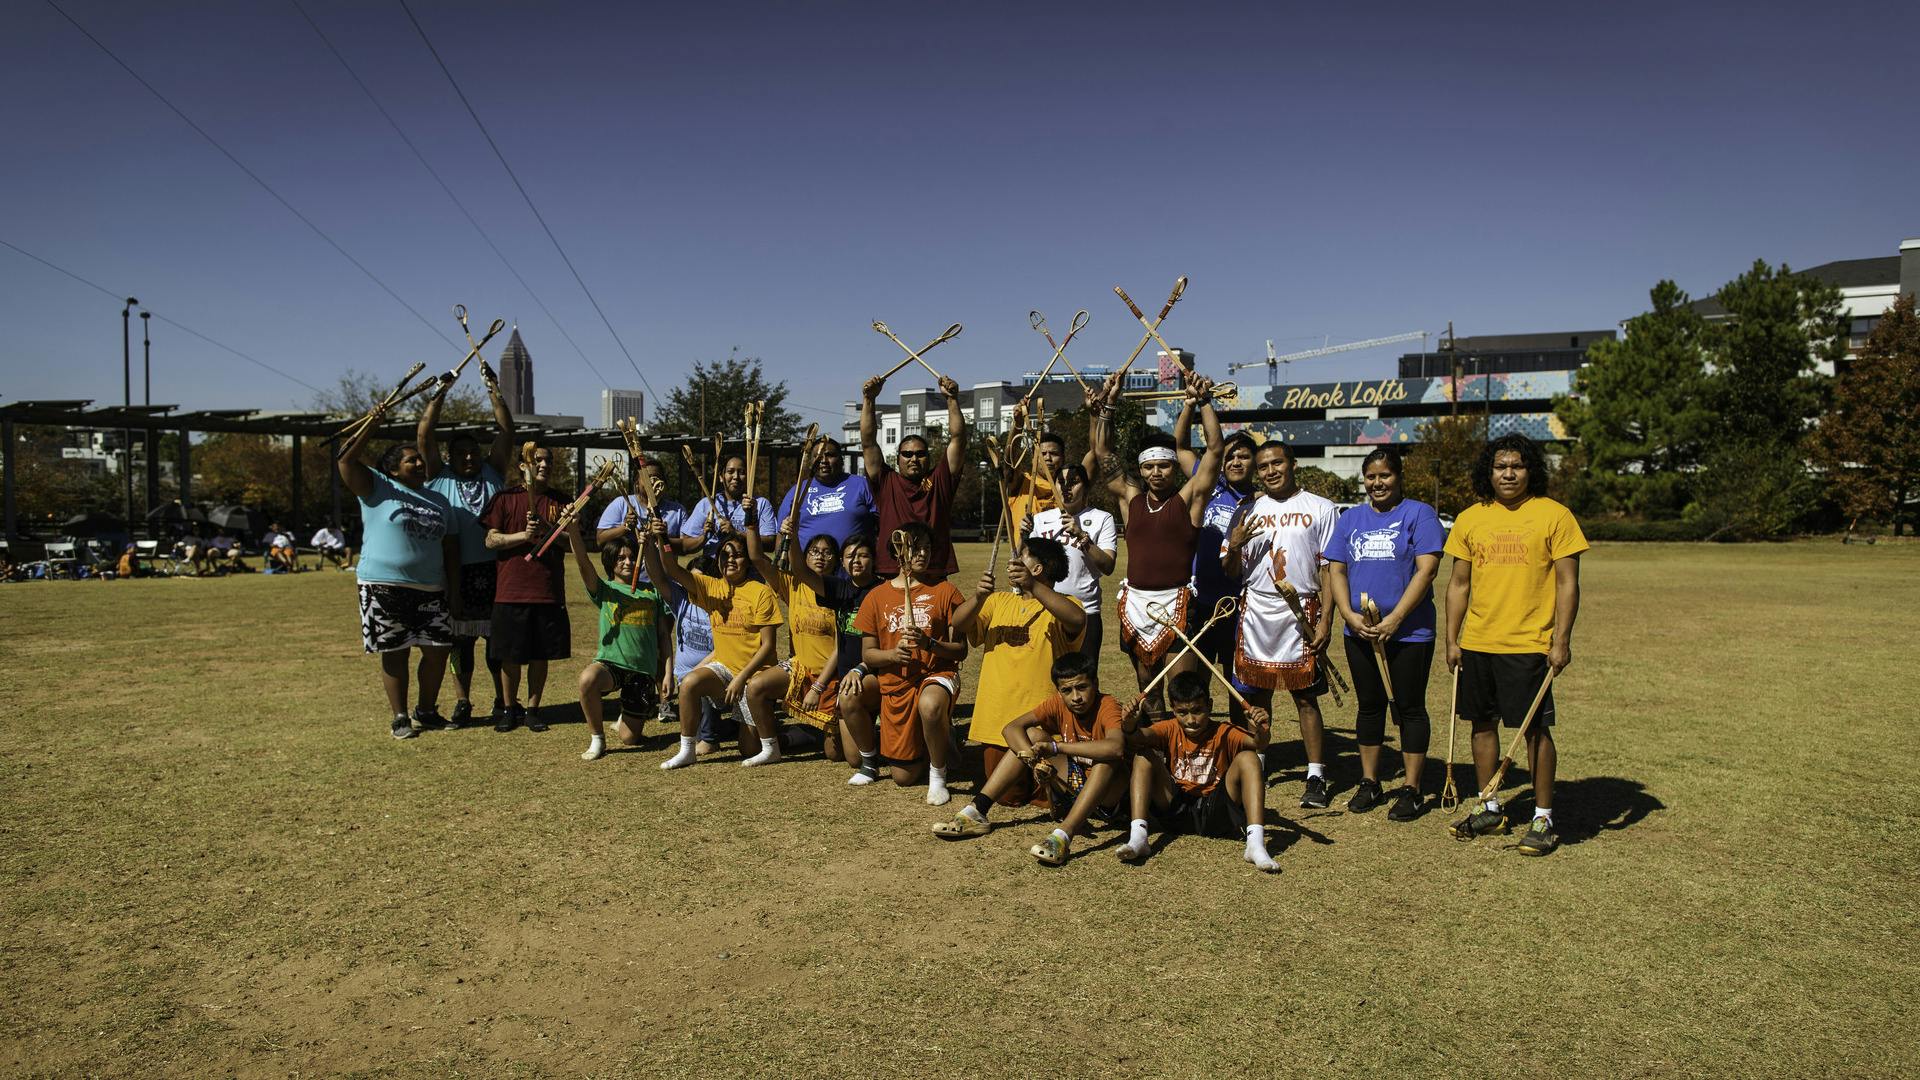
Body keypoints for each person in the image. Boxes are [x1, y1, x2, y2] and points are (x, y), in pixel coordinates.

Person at [1444, 433, 1587, 855]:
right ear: (1488, 472)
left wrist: (1561, 640)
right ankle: (1489, 808)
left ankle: (1543, 817)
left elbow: (1567, 583)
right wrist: (1452, 640)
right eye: (1500, 466)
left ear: (1531, 471)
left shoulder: (1555, 516)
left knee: (1535, 733)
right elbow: (1457, 584)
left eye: (1517, 466)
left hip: (1529, 644)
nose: (1508, 473)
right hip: (1479, 642)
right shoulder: (1471, 518)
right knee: (1481, 725)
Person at [1323, 447, 1445, 819]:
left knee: (1409, 707)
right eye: (1371, 476)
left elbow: (1427, 570)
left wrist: (1395, 620)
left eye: (1385, 475)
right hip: (1360, 631)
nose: (1377, 483)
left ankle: (1411, 787)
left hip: (1408, 633)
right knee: (1370, 705)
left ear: (1398, 477)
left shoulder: (1419, 514)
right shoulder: (1351, 518)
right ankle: (1370, 781)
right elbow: (1336, 569)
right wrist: (1348, 614)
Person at [1090, 371, 1223, 713]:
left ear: (1175, 468)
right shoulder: (1130, 498)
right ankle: (1157, 758)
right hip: (1135, 604)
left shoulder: (1189, 499)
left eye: (1164, 465)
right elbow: (1102, 450)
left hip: (1178, 603)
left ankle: (1186, 759)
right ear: (1141, 469)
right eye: (1149, 467)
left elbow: (1214, 449)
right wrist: (1109, 401)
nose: (1156, 473)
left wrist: (1203, 401)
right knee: (1149, 694)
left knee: (1184, 694)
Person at [335, 403, 467, 740]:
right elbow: (346, 459)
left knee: (438, 649)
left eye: (421, 460)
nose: (420, 464)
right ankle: (400, 716)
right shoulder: (377, 487)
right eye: (412, 460)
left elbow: (450, 548)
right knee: (396, 651)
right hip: (383, 584)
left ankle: (427, 709)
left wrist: (454, 587)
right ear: (393, 469)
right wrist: (371, 425)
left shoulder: (440, 501)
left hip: (430, 587)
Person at [1222, 439, 1337, 808]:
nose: (1271, 471)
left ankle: (1316, 774)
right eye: (1264, 466)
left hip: (1300, 606)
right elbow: (1229, 570)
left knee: (1305, 697)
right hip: (1256, 607)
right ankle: (1257, 761)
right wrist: (1236, 544)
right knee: (1257, 695)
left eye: (1277, 463)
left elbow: (1330, 568)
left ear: (1293, 464)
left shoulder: (1320, 507)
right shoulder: (1247, 510)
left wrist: (1325, 621)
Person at [931, 652, 1128, 866]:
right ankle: (977, 810)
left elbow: (1116, 748)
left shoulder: (1108, 705)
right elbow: (1011, 729)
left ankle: (1063, 836)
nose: (1076, 697)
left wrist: (1057, 746)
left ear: (1095, 684)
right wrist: (1036, 763)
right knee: (1032, 735)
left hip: (1108, 799)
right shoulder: (1058, 703)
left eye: (1082, 687)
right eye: (1067, 690)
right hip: (1075, 785)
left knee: (1106, 760)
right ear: (1059, 691)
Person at [951, 536, 1086, 805]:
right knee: (1009, 798)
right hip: (997, 723)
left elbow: (1077, 619)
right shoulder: (998, 601)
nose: (1012, 561)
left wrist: (1033, 587)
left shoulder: (1064, 603)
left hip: (1042, 726)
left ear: (1037, 569)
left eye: (1021, 555)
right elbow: (959, 622)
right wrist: (978, 597)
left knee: (1049, 796)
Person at [642, 520, 784, 769]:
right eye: (725, 555)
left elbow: (768, 647)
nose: (731, 560)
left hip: (754, 677)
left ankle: (783, 735)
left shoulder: (760, 592)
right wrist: (663, 540)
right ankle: (687, 750)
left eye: (738, 555)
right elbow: (672, 570)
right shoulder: (712, 587)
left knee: (748, 749)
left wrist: (742, 679)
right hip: (724, 669)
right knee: (689, 683)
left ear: (747, 561)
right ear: (717, 560)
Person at [420, 371, 516, 728]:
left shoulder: (493, 473)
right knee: (460, 643)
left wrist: (494, 390)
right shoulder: (436, 475)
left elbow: (507, 432)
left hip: (496, 569)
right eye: (461, 454)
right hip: (454, 570)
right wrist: (439, 393)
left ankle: (501, 699)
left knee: (495, 642)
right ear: (449, 456)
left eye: (474, 452)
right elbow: (423, 434)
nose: (469, 459)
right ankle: (462, 701)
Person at [847, 522, 967, 802]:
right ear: (899, 552)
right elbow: (868, 654)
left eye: (927, 547)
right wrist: (891, 656)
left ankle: (938, 775)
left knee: (930, 704)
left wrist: (930, 645)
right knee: (903, 777)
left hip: (936, 675)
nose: (923, 554)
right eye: (915, 547)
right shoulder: (876, 597)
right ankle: (939, 737)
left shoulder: (946, 591)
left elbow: (960, 651)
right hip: (895, 685)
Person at [1117, 670, 1278, 873]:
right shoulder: (1169, 728)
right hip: (1176, 809)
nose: (1191, 720)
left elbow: (1258, 743)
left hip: (1215, 811)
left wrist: (1261, 730)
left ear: (1209, 705)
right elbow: (1136, 738)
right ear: (1173, 710)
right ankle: (1138, 837)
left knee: (1249, 758)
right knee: (1143, 756)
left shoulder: (1224, 731)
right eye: (1182, 712)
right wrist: (1129, 724)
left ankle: (1255, 844)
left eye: (1197, 710)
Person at [480, 443, 572, 733]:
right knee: (510, 655)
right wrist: (523, 535)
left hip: (547, 591)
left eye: (548, 461)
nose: (544, 465)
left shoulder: (562, 502)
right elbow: (490, 540)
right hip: (511, 590)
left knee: (539, 654)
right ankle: (509, 708)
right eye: (538, 460)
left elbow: (572, 544)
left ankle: (533, 709)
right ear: (523, 465)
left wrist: (549, 530)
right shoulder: (504, 499)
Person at [565, 518, 667, 762]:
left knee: (630, 739)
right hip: (611, 666)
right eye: (621, 558)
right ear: (611, 563)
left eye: (631, 557)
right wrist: (573, 531)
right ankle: (597, 739)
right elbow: (583, 565)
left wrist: (664, 672)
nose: (628, 562)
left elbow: (663, 635)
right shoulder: (605, 590)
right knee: (588, 679)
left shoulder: (652, 592)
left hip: (642, 672)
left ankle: (628, 716)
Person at [785, 531, 884, 782]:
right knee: (852, 758)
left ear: (873, 559)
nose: (856, 561)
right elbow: (800, 570)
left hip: (876, 674)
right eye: (850, 556)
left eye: (863, 556)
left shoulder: (884, 591)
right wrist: (792, 534)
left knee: (852, 699)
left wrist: (862, 667)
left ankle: (884, 750)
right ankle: (877, 736)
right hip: (846, 680)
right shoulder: (838, 588)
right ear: (842, 561)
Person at [742, 517, 843, 753]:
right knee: (756, 687)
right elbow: (757, 558)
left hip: (831, 675)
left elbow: (841, 649)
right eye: (815, 551)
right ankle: (771, 748)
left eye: (828, 553)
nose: (820, 556)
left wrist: (819, 687)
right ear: (804, 558)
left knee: (834, 753)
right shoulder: (793, 585)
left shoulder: (842, 591)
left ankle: (818, 734)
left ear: (837, 560)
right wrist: (751, 523)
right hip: (799, 668)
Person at [860, 372, 968, 579]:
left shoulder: (940, 480)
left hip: (933, 570)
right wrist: (869, 399)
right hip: (893, 571)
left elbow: (958, 439)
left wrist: (952, 400)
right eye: (907, 454)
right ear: (897, 457)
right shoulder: (886, 480)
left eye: (920, 454)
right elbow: (868, 442)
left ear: (928, 457)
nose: (913, 459)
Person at [1024, 463, 1116, 667]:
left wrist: (1082, 536)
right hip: (1045, 611)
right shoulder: (1040, 520)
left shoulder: (1102, 518)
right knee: (1044, 674)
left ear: (1086, 487)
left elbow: (1108, 566)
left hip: (1086, 612)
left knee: (1084, 678)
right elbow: (1029, 567)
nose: (1066, 487)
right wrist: (1024, 536)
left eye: (1074, 482)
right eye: (1061, 482)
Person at [774, 437, 875, 553]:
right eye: (817, 456)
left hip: (853, 567)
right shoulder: (797, 492)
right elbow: (781, 536)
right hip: (807, 569)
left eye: (830, 455)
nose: (823, 460)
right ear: (810, 462)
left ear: (841, 459)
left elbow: (883, 523)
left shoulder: (862, 485)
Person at [595, 457, 687, 585]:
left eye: (657, 477)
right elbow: (600, 539)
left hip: (664, 585)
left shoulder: (677, 511)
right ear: (637, 483)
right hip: (628, 584)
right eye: (647, 477)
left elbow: (685, 546)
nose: (652, 481)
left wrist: (662, 538)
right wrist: (625, 528)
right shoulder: (622, 504)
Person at [681, 455, 777, 562]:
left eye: (742, 472)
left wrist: (735, 533)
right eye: (730, 471)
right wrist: (704, 537)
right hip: (712, 573)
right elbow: (685, 545)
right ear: (721, 477)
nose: (735, 476)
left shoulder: (760, 504)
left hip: (750, 574)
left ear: (749, 477)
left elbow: (770, 544)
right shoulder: (707, 504)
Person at [1000, 404, 1062, 527]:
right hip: (1025, 546)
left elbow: (1094, 455)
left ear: (1063, 457)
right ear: (1033, 459)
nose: (1048, 458)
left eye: (1054, 454)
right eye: (1042, 454)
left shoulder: (1070, 486)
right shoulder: (1022, 482)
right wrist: (1018, 424)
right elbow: (1009, 464)